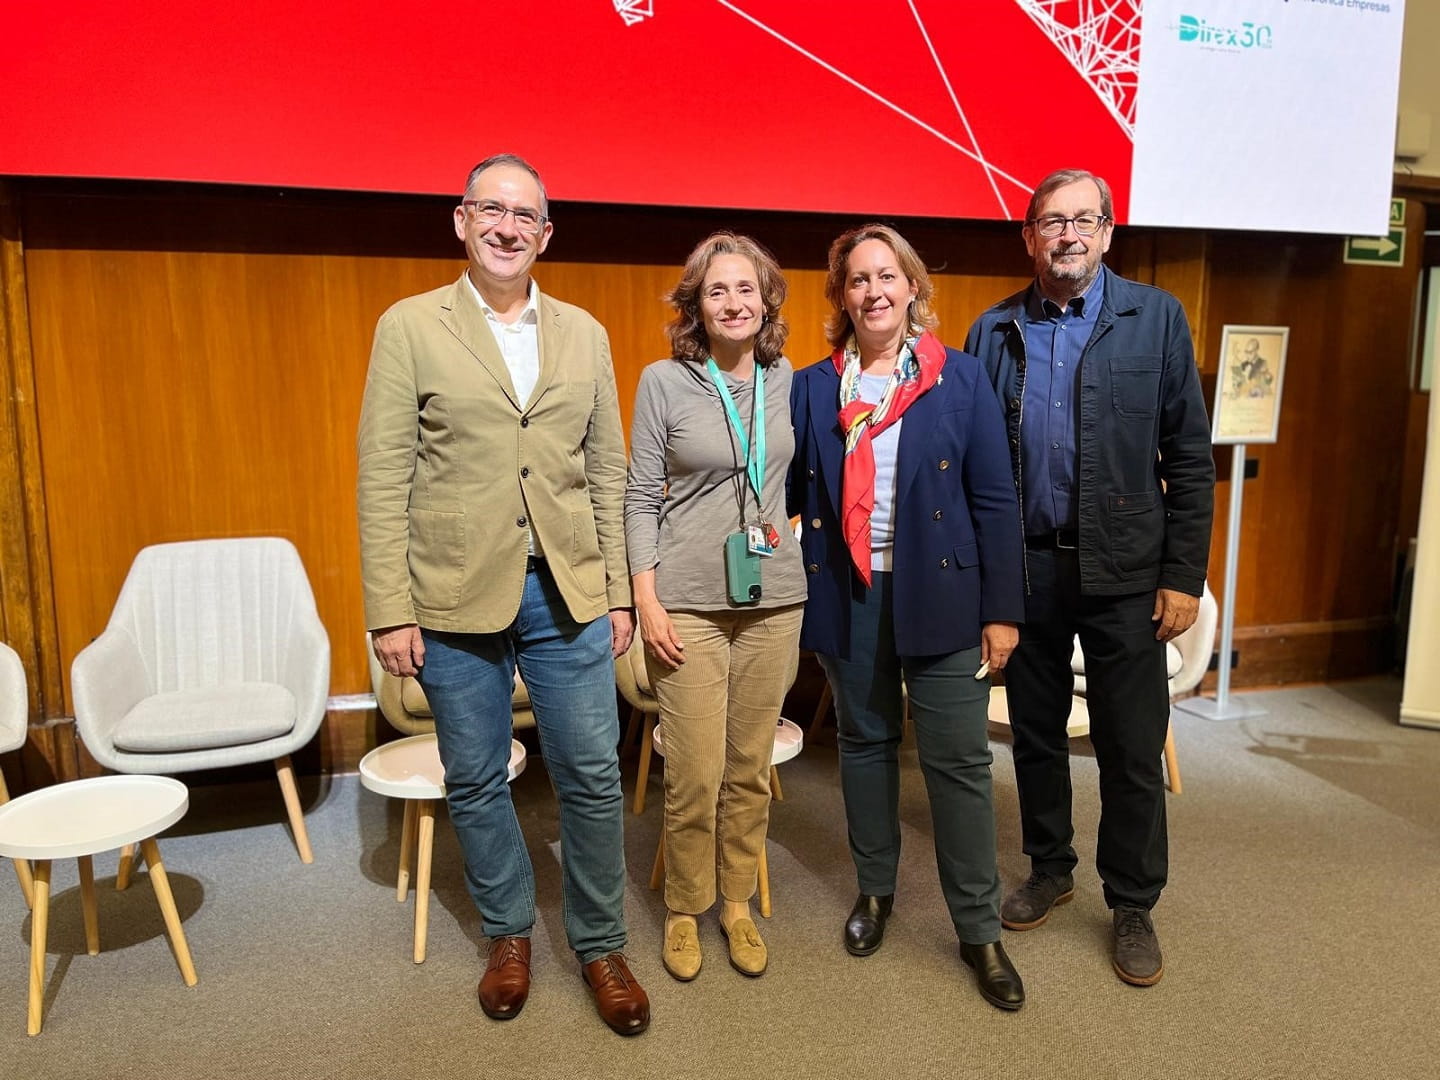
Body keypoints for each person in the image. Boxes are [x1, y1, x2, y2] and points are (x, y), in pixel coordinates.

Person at [357, 153, 650, 1035]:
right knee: (479, 777)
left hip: (568, 593)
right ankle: (509, 934)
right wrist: (389, 606)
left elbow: (607, 469)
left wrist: (618, 594)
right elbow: (383, 475)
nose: (508, 227)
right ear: (461, 220)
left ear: (546, 234)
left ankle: (600, 943)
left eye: (525, 216)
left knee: (594, 775)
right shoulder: (409, 326)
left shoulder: (585, 333)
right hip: (449, 593)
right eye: (493, 210)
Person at [963, 168, 1216, 987]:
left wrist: (1183, 572)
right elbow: (973, 467)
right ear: (1029, 237)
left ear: (1107, 232)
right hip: (1026, 568)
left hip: (1129, 571)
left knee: (1131, 745)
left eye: (1083, 220)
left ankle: (1134, 901)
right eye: (1051, 222)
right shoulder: (993, 330)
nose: (1067, 235)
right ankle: (1050, 866)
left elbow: (1188, 457)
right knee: (1033, 735)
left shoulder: (1157, 319)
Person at [789, 224, 1027, 1011]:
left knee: (958, 765)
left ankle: (977, 928)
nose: (874, 291)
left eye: (887, 276)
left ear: (913, 287)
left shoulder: (957, 379)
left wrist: (1002, 612)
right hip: (851, 592)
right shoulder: (813, 386)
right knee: (864, 745)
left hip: (946, 595)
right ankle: (876, 893)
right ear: (842, 296)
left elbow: (994, 500)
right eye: (858, 280)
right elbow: (786, 494)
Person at [624, 233, 806, 981]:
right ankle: (684, 909)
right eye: (717, 291)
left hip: (773, 599)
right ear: (696, 305)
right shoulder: (663, 382)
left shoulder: (784, 376)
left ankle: (735, 903)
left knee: (747, 767)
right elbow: (637, 497)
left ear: (766, 301)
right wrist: (645, 602)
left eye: (746, 289)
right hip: (689, 604)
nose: (734, 303)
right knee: (694, 772)